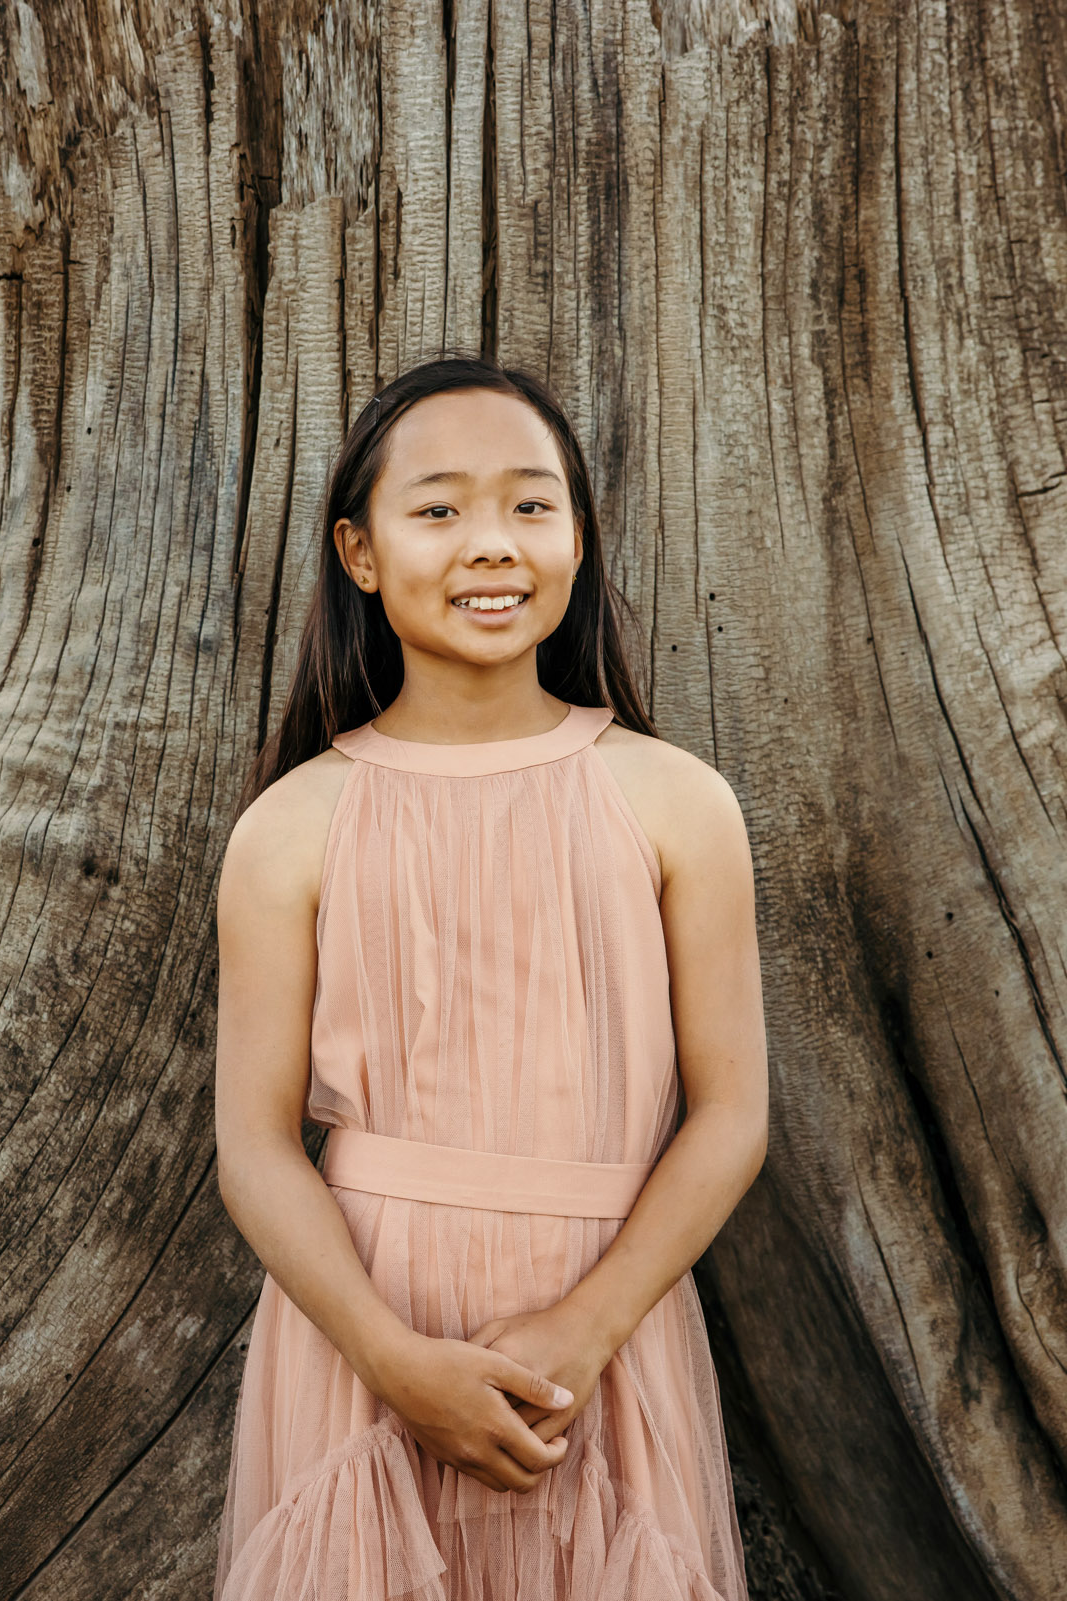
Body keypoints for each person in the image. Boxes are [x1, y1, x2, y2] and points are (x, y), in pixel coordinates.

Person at [212, 356, 768, 1601]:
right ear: (359, 553)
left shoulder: (672, 801)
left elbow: (732, 1114)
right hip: (365, 1330)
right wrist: (393, 1359)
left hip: (603, 1330)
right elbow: (252, 1146)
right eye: (439, 508)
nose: (492, 545)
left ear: (577, 536)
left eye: (530, 504)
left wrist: (589, 1327)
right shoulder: (296, 825)